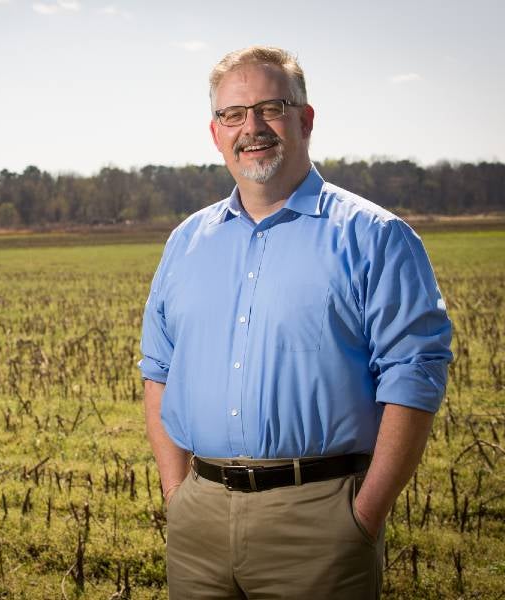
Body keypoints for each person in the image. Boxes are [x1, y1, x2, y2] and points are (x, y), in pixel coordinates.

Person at [139, 46, 453, 599]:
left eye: (271, 107)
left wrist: (364, 515)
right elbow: (159, 367)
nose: (252, 128)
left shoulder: (374, 237)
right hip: (199, 520)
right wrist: (176, 493)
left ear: (305, 119)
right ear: (216, 133)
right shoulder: (186, 242)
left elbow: (414, 373)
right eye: (233, 114)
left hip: (320, 522)